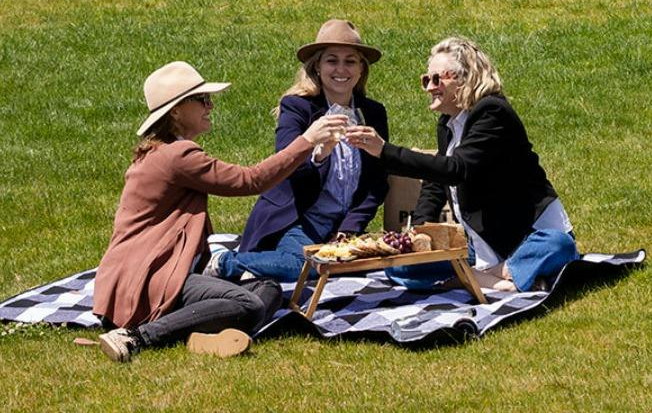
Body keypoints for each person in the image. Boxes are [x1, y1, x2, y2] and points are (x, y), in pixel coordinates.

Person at [93, 60, 347, 363]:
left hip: (156, 273)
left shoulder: (163, 151)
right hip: (148, 278)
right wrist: (306, 141)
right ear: (176, 111)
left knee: (268, 287)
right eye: (202, 99)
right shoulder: (177, 156)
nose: (210, 105)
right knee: (249, 304)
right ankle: (136, 337)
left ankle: (204, 333)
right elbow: (250, 180)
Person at [343, 35, 578, 294]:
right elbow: (436, 181)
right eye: (425, 80)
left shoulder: (492, 113)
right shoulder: (448, 123)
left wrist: (384, 151)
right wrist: (418, 231)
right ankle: (505, 279)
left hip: (527, 235)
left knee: (559, 245)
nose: (429, 87)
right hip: (482, 243)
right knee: (400, 266)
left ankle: (473, 278)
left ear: (465, 78)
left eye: (437, 79)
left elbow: (456, 170)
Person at [208, 20, 389, 283]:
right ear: (317, 66)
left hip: (340, 227)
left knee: (369, 267)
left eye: (350, 61)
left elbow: (376, 182)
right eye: (332, 61)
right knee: (306, 267)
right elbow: (285, 168)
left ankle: (261, 266)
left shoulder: (373, 113)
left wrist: (349, 229)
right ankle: (224, 262)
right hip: (298, 221)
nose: (341, 69)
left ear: (361, 69)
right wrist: (319, 154)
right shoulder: (298, 107)